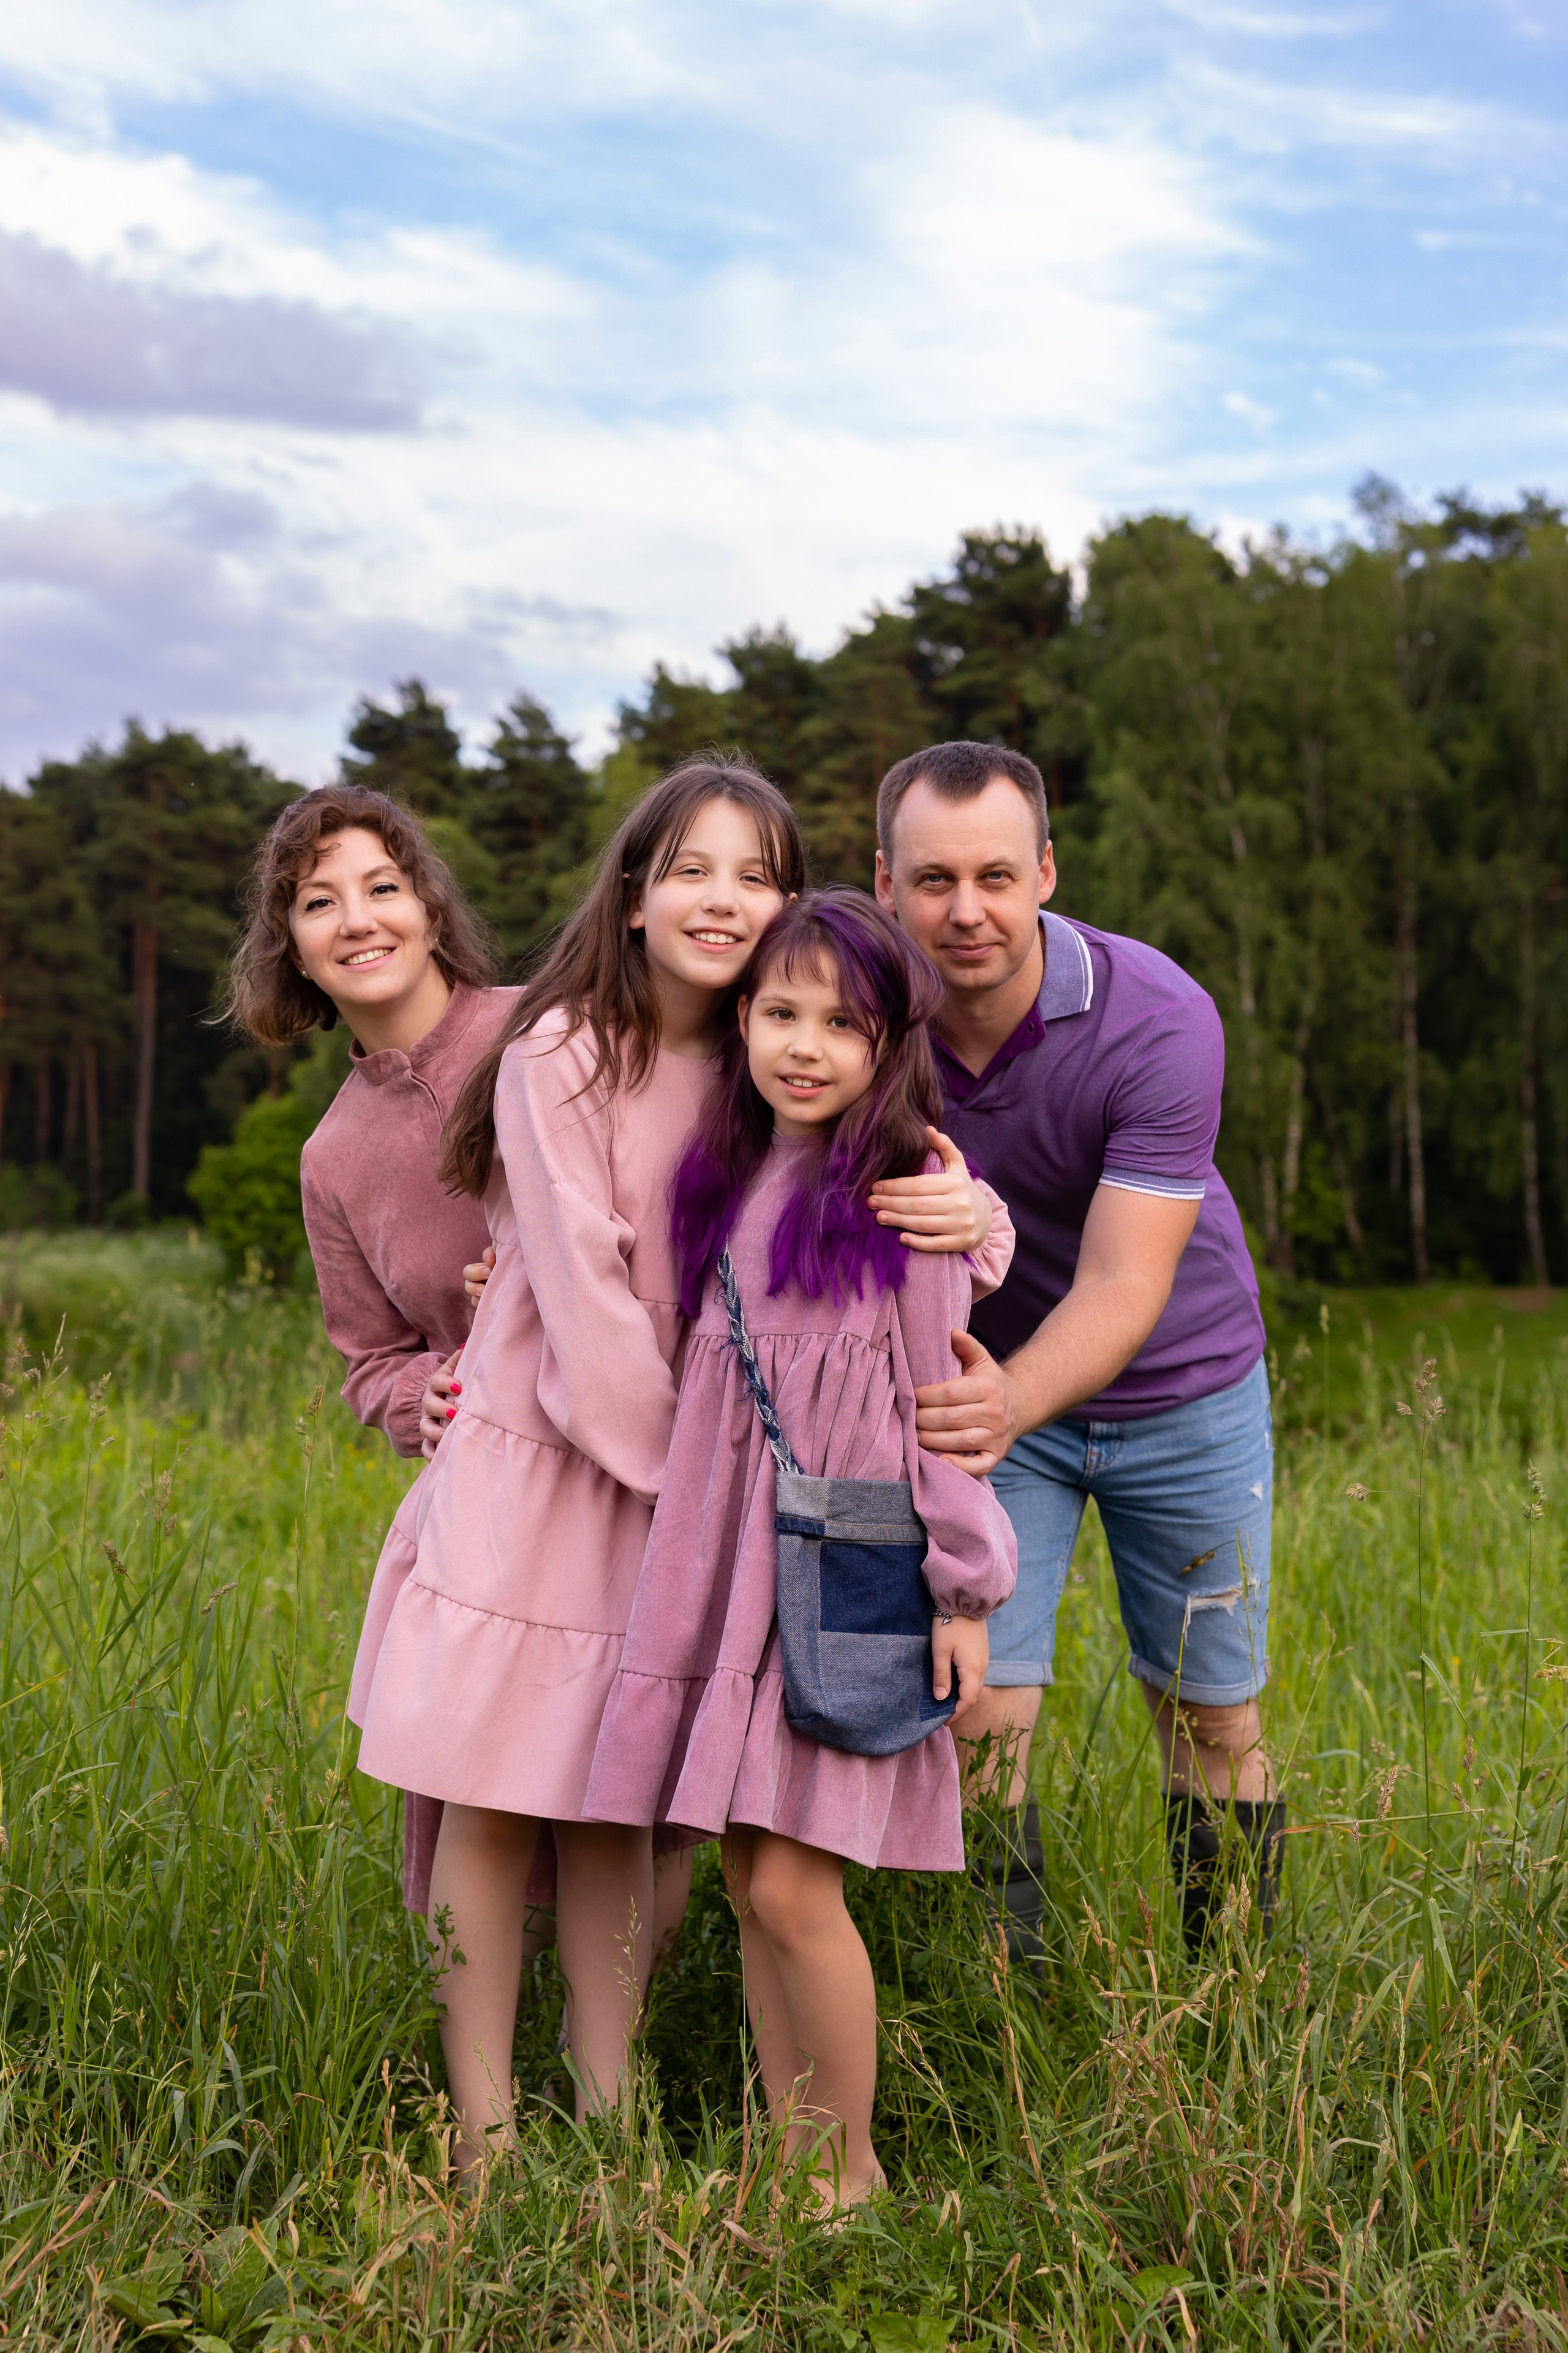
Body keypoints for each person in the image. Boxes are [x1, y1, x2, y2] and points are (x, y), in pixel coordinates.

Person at [345, 768, 1005, 2172]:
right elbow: (585, 1304)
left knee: (618, 1792)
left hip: (707, 1493)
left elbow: (893, 1221)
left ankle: (607, 2104)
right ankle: (482, 2136)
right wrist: (696, 1488)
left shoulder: (777, 1061)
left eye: (755, 874)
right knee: (493, 1784)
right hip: (568, 1459)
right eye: (690, 869)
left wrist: (976, 1209)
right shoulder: (563, 1048)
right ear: (632, 893)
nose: (722, 899)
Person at [584, 891, 1017, 2210]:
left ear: (890, 1046)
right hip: (730, 1573)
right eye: (780, 1013)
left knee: (787, 1883)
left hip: (845, 1574)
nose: (805, 1046)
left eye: (844, 1022)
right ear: (743, 1021)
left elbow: (936, 1415)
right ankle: (793, 2151)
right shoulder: (723, 1179)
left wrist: (962, 1588)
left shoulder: (904, 1199)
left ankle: (849, 2170)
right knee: (742, 1872)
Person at [871, 741, 1282, 1954]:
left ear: (1044, 871)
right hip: (985, 1398)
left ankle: (1236, 1989)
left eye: (994, 875)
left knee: (1209, 1712)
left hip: (1179, 1387)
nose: (965, 911)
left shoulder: (1156, 1016)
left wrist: (1005, 1404)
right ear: (882, 882)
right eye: (932, 878)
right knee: (978, 1712)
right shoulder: (852, 1016)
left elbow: (1121, 1278)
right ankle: (1011, 1999)